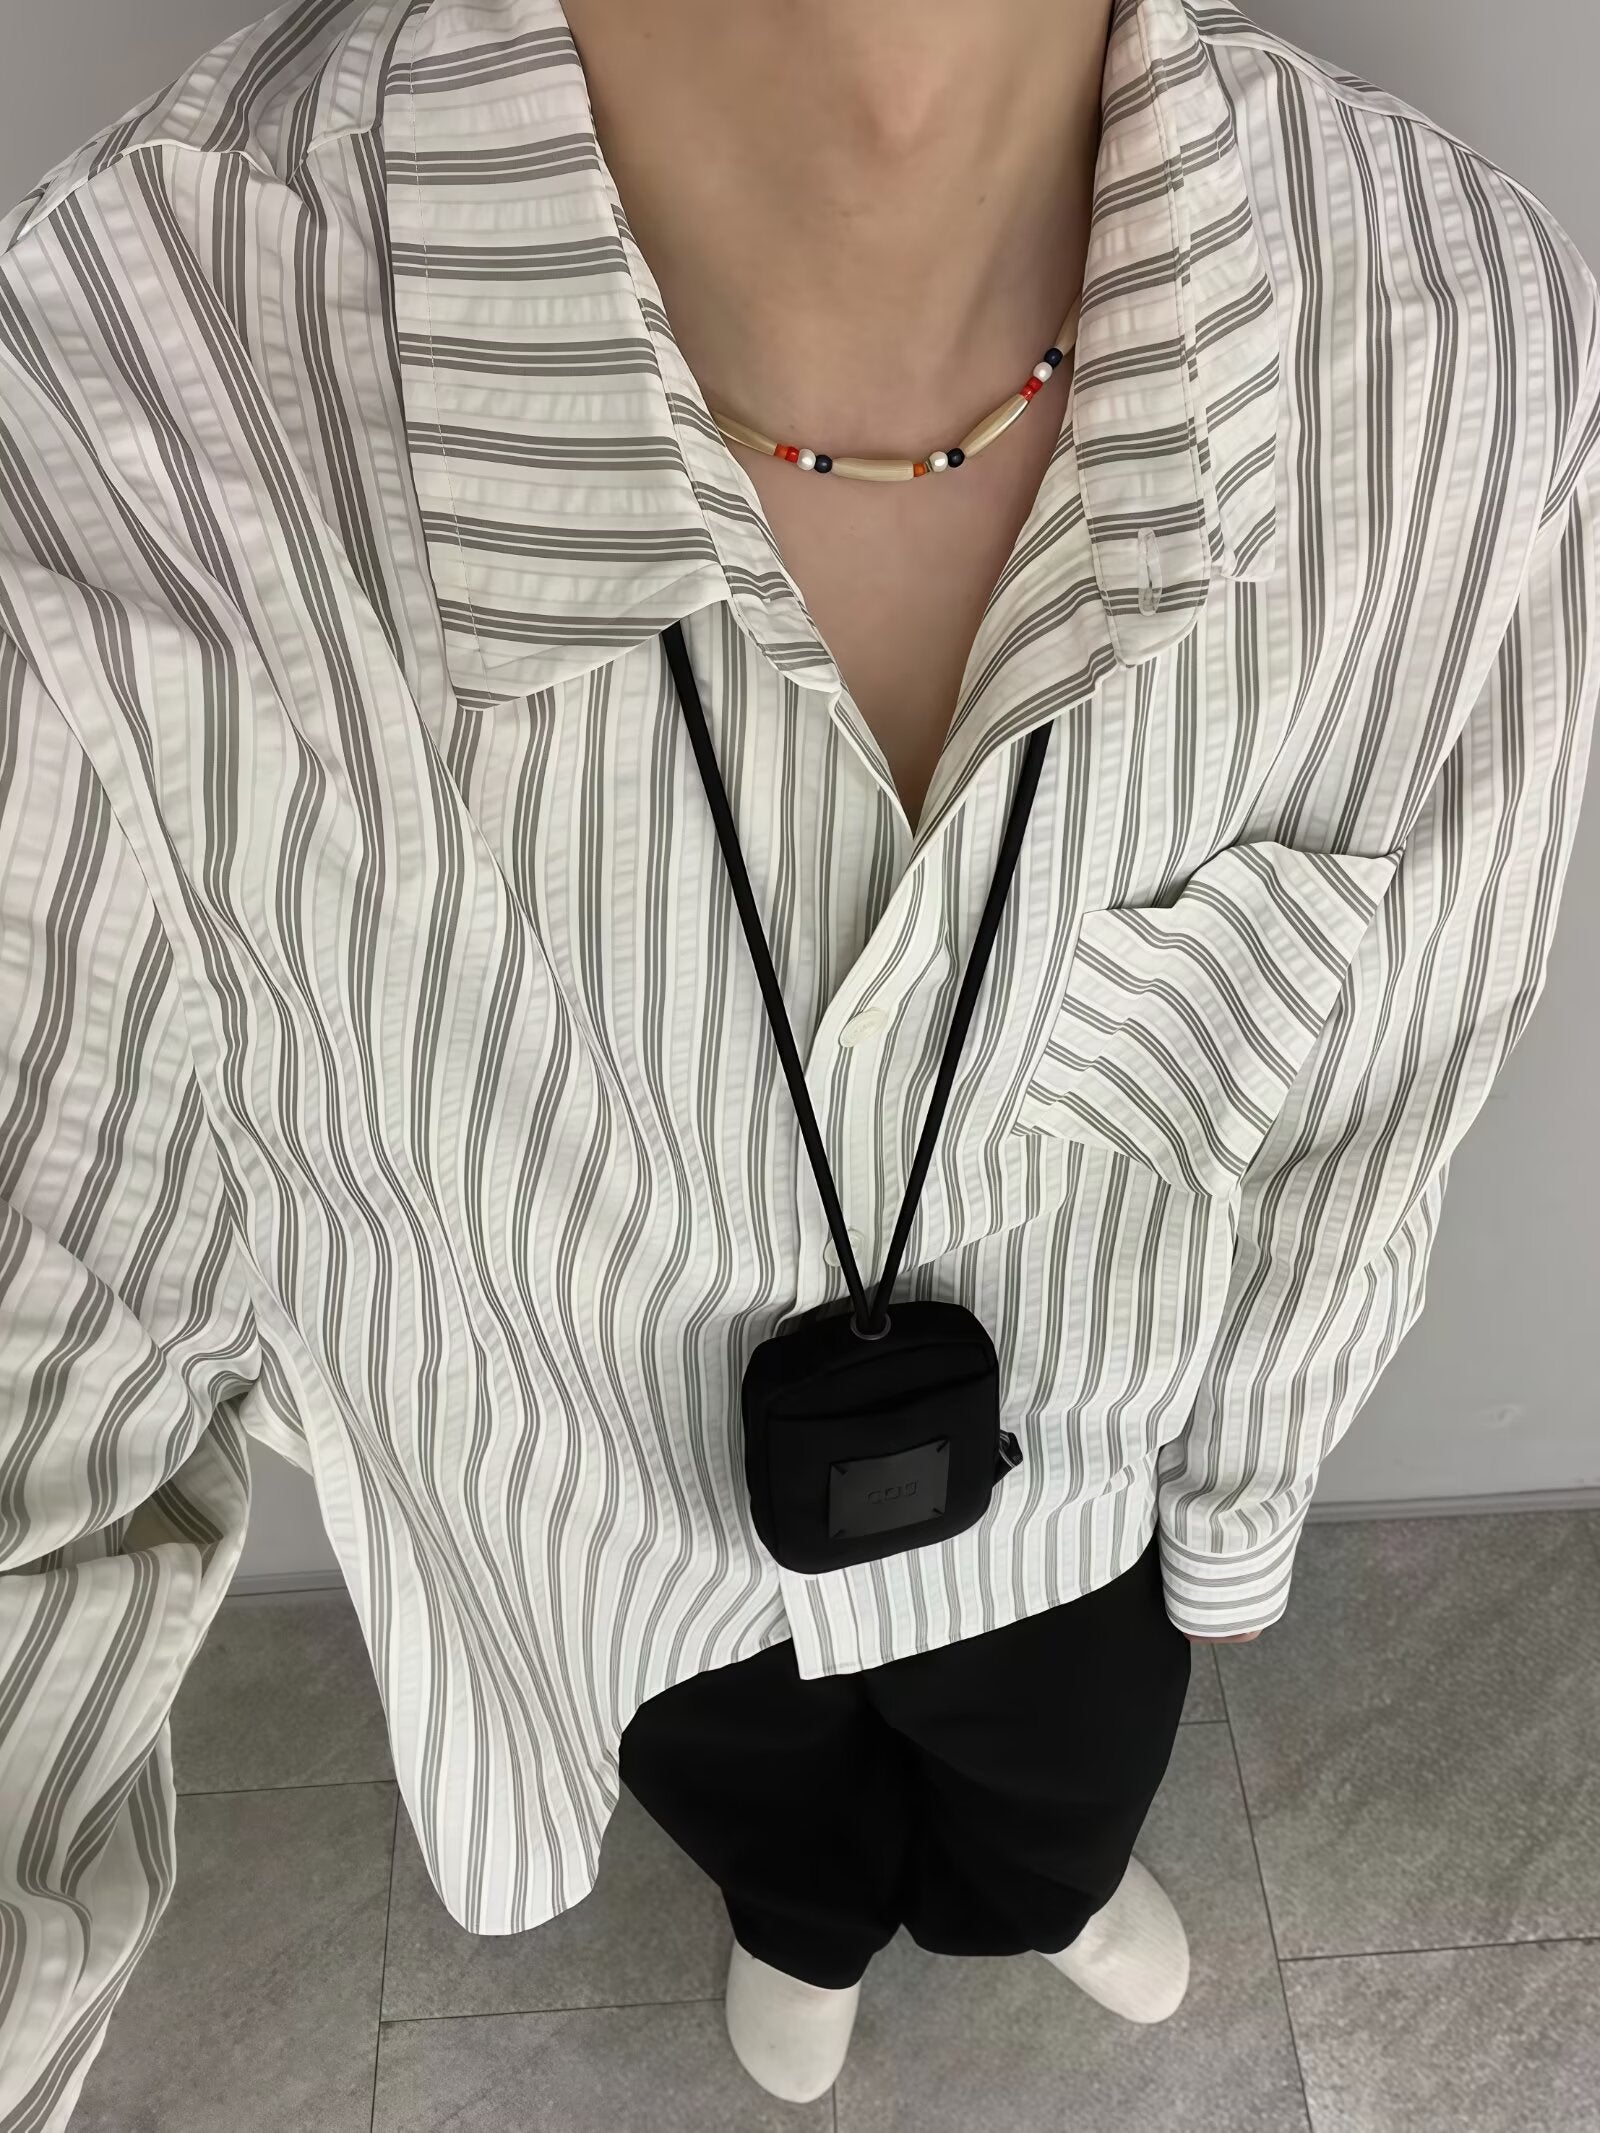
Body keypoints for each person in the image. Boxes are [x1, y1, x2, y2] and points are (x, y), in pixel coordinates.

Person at [0, 0, 1594, 2119]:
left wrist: (1235, 1507)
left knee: (1059, 1797)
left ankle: (1040, 1894)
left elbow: (1389, 1077)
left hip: (1067, 1522)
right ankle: (805, 1924)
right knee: (773, 1822)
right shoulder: (97, 450)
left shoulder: (1456, 358)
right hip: (626, 1565)